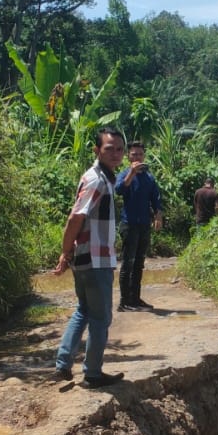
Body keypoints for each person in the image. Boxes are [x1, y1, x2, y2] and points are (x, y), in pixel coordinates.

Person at [50, 127, 126, 388]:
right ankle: (92, 373)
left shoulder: (102, 177)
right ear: (97, 150)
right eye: (109, 149)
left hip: (85, 258)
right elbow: (75, 217)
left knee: (83, 310)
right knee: (101, 317)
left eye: (119, 149)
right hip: (96, 259)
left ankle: (63, 365)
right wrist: (64, 249)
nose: (115, 154)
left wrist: (69, 252)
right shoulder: (97, 180)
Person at [114, 140, 163, 311]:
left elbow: (155, 197)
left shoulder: (149, 177)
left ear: (144, 156)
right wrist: (132, 174)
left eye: (140, 154)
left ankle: (135, 299)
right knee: (128, 263)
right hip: (129, 224)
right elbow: (119, 189)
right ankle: (123, 302)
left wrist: (158, 214)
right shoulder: (124, 173)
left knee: (139, 263)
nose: (137, 157)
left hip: (144, 225)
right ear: (128, 156)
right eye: (134, 154)